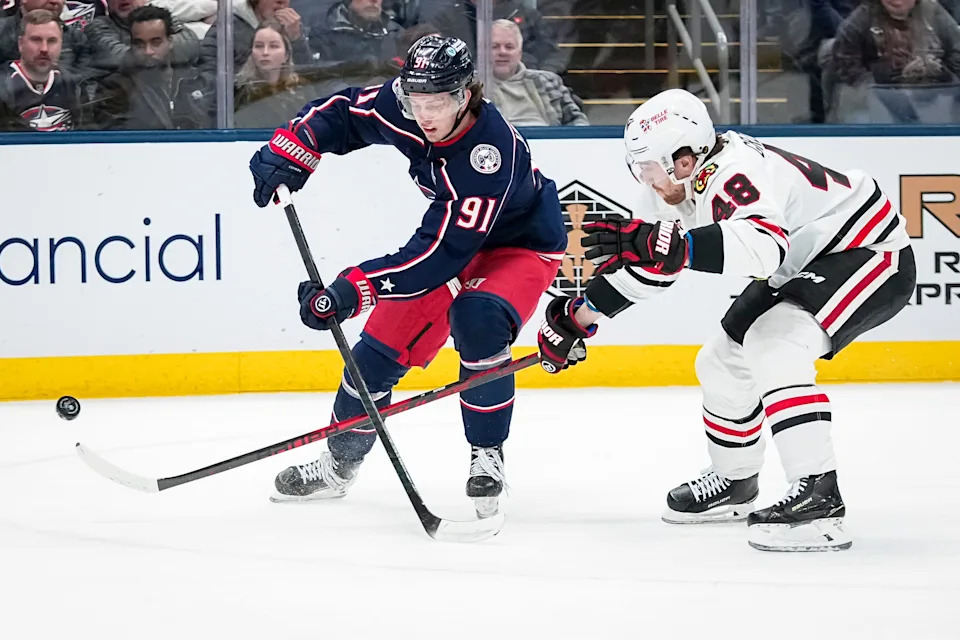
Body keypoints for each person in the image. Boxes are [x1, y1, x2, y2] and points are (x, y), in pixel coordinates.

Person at [536, 88, 915, 552]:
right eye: (639, 167)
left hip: (869, 251)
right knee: (721, 360)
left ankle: (820, 500)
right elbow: (655, 265)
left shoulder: (734, 171)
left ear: (684, 158)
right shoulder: (673, 184)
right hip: (804, 260)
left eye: (651, 166)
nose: (645, 178)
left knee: (775, 345)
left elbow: (763, 247)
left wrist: (677, 247)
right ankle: (736, 482)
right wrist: (578, 317)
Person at [248, 35, 566, 518]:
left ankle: (487, 456)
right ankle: (339, 465)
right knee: (372, 359)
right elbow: (342, 114)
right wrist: (295, 146)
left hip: (518, 247)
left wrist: (352, 290)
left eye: (437, 102)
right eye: (417, 100)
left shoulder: (488, 152)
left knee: (476, 317)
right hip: (453, 243)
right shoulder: (403, 104)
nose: (425, 115)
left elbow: (438, 257)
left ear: (465, 94)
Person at [0, 9, 82, 130]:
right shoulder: (3, 85)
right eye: (36, 40)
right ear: (21, 44)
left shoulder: (73, 85)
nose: (44, 48)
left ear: (61, 45)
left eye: (52, 41)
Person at [234, 20, 310, 126]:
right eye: (259, 46)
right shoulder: (239, 91)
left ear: (286, 55)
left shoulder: (302, 89)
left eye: (273, 46)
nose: (265, 52)